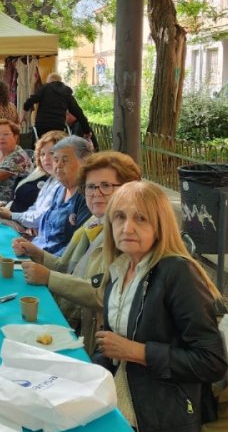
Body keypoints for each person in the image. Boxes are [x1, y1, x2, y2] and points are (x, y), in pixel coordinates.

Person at [41, 180, 227, 432]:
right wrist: (83, 376)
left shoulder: (177, 273)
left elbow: (212, 362)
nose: (127, 227)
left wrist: (138, 352)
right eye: (120, 218)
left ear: (160, 226)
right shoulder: (120, 268)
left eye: (141, 219)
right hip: (126, 391)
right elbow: (109, 347)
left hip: (164, 412)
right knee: (42, 410)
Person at [19, 151, 141, 353]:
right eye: (91, 186)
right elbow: (67, 268)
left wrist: (49, 278)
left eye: (106, 185)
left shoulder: (128, 236)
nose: (96, 193)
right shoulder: (95, 222)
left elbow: (104, 296)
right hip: (68, 319)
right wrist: (37, 254)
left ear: (128, 189)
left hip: (90, 341)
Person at [13, 135, 92, 256]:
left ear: (84, 162)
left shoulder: (88, 198)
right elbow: (45, 236)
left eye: (65, 160)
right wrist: (28, 246)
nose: (58, 165)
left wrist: (37, 254)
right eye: (56, 160)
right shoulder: (60, 190)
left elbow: (74, 251)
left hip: (52, 263)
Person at [0, 130, 66, 231]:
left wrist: (11, 215)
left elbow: (40, 218)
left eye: (51, 153)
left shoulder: (62, 184)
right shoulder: (51, 179)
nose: (45, 158)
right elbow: (35, 209)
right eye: (42, 154)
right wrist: (9, 212)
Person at [22, 72, 86, 137]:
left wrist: (25, 108)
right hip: (58, 127)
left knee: (37, 140)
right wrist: (87, 130)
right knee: (57, 141)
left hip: (42, 125)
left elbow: (31, 100)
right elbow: (78, 112)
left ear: (49, 81)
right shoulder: (66, 93)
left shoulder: (44, 88)